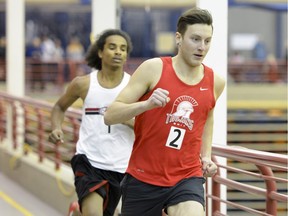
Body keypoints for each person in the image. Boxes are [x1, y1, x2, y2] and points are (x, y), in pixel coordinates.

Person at [104, 7, 226, 216]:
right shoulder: (153, 69)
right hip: (143, 177)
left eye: (207, 41)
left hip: (187, 176)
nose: (202, 47)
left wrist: (206, 157)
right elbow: (110, 115)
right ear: (178, 38)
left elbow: (207, 117)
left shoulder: (216, 81)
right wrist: (146, 105)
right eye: (195, 39)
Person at [48, 29, 135, 216]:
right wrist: (56, 128)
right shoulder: (83, 84)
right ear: (100, 52)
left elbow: (149, 123)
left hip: (123, 166)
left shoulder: (135, 85)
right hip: (89, 162)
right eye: (112, 47)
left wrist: (130, 121)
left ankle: (77, 211)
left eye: (123, 48)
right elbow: (59, 107)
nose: (118, 52)